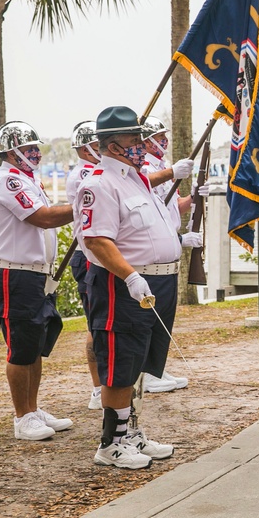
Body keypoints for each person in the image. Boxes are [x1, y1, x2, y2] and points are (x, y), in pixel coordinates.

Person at [76, 106, 200, 469]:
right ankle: (110, 443)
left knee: (140, 359)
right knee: (120, 360)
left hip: (157, 281)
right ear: (112, 146)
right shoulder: (99, 183)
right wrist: (130, 276)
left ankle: (128, 432)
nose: (141, 144)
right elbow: (98, 240)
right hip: (124, 283)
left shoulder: (137, 178)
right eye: (134, 139)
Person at [0, 121, 75, 442]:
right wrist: (85, 204)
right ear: (11, 152)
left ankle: (33, 409)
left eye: (36, 147)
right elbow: (43, 217)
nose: (35, 153)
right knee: (21, 346)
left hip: (36, 273)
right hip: (15, 272)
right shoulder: (8, 181)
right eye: (28, 149)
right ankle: (21, 417)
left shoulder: (29, 179)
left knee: (36, 344)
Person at [138, 116, 192, 393]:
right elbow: (142, 184)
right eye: (158, 137)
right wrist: (172, 172)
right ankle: (147, 373)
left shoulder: (161, 167)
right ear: (144, 141)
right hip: (149, 258)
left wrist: (193, 199)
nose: (164, 141)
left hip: (169, 251)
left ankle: (156, 369)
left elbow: (169, 207)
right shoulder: (146, 167)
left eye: (163, 136)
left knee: (164, 319)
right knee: (151, 318)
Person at [65, 121, 104, 410]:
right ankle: (97, 387)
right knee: (96, 324)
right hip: (88, 254)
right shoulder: (83, 175)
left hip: (103, 254)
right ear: (84, 147)